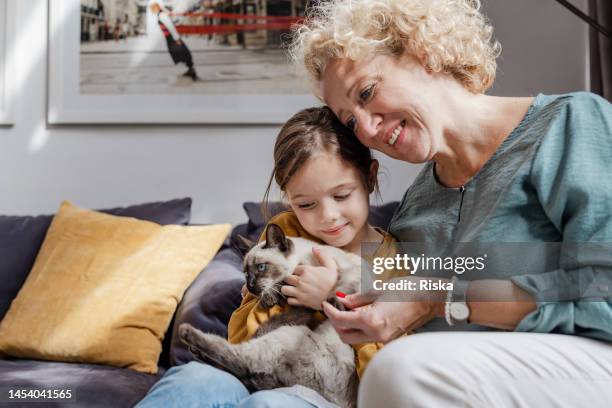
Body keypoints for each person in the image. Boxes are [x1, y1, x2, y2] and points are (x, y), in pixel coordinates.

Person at [288, 0, 612, 406]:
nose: (367, 128)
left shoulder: (571, 124)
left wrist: (437, 297)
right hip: (454, 386)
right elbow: (385, 292)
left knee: (401, 369)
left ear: (423, 52)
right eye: (351, 121)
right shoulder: (415, 207)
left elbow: (604, 288)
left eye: (367, 93)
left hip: (588, 361)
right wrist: (336, 290)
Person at [136, 106, 396, 407]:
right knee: (193, 379)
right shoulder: (286, 234)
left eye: (341, 196)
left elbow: (389, 373)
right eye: (306, 204)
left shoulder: (395, 257)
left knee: (267, 405)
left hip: (333, 396)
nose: (328, 216)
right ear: (288, 198)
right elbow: (241, 338)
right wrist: (285, 294)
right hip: (257, 374)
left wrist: (329, 300)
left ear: (371, 178)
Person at [150, 1, 198, 81]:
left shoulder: (162, 15)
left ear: (156, 7)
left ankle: (191, 70)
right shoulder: (161, 14)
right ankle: (190, 69)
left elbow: (170, 26)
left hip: (172, 38)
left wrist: (177, 39)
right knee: (179, 53)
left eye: (152, 8)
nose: (151, 10)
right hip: (170, 38)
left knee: (181, 52)